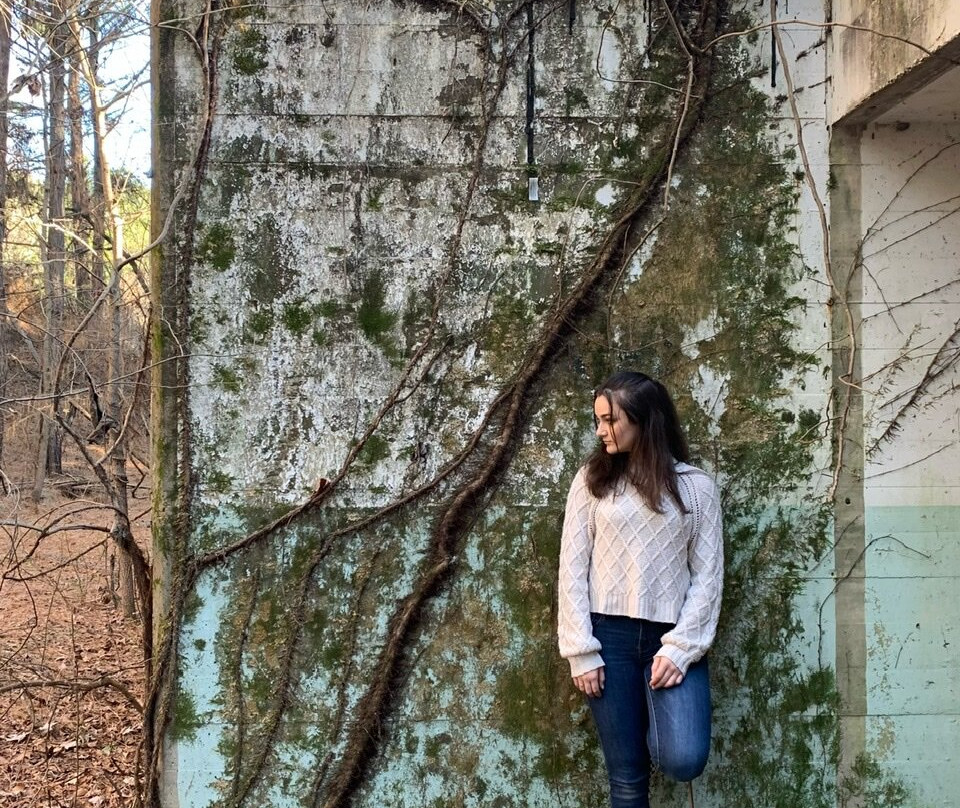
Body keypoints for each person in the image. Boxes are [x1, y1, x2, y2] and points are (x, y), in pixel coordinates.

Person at [557, 371, 723, 808]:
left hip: (670, 638)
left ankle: (656, 718)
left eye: (609, 420)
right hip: (606, 640)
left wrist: (679, 648)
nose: (600, 431)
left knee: (684, 758)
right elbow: (571, 569)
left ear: (645, 419)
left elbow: (708, 577)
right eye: (598, 420)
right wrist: (581, 651)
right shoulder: (593, 480)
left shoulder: (696, 487)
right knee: (627, 780)